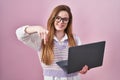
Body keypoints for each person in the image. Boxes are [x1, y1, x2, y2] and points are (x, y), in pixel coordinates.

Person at [16, 5, 89, 80]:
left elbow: (80, 62)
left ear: (68, 22)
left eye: (65, 19)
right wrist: (37, 28)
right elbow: (19, 34)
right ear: (53, 19)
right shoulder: (42, 38)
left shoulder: (75, 39)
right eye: (58, 18)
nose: (61, 22)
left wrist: (82, 68)